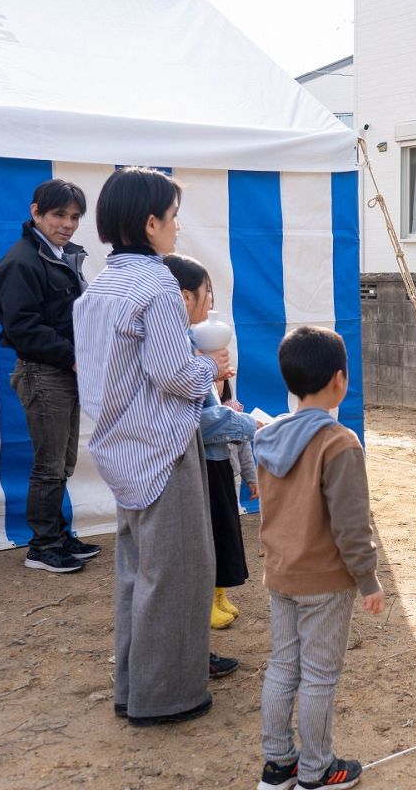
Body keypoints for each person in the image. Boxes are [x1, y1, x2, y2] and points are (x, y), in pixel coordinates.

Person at [72, 167, 232, 727]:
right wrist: (207, 370)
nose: (177, 228)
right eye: (172, 216)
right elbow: (170, 372)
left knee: (137, 573)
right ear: (150, 223)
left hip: (119, 444)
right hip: (162, 447)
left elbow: (94, 373)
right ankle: (167, 695)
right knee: (181, 573)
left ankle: (133, 687)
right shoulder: (158, 283)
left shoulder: (98, 286)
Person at [253, 326, 384, 790]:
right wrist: (368, 580)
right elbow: (352, 526)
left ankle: (278, 765)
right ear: (339, 380)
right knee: (320, 677)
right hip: (325, 581)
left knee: (283, 667)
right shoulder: (339, 443)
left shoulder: (267, 437)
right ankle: (316, 770)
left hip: (280, 573)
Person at [0, 178, 101, 573]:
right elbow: (21, 327)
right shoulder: (22, 261)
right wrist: (71, 356)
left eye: (75, 216)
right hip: (44, 372)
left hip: (65, 370)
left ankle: (57, 535)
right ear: (35, 212)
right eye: (59, 214)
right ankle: (42, 545)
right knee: (49, 464)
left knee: (64, 461)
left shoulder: (62, 254)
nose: (68, 223)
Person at [161, 253, 257, 635]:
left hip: (215, 458)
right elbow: (194, 417)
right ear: (185, 297)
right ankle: (204, 603)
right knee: (205, 539)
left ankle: (217, 597)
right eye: (207, 293)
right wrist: (249, 423)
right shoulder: (180, 348)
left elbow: (211, 405)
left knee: (221, 533)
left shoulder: (193, 344)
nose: (210, 302)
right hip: (195, 458)